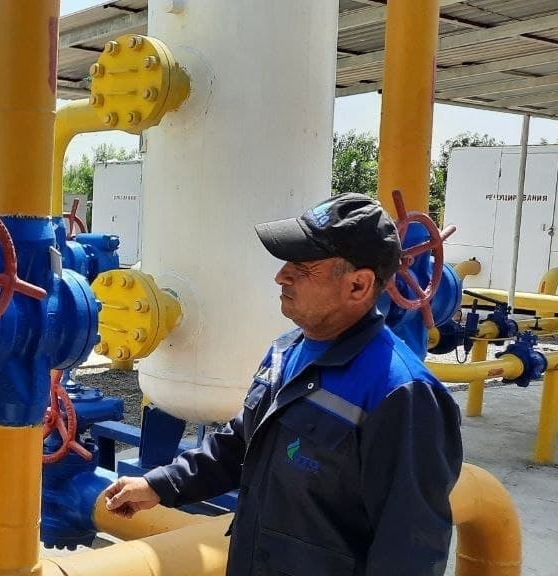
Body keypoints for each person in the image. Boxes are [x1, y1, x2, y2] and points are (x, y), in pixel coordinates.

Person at [102, 193, 463, 575]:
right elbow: (239, 445)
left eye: (303, 268)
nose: (281, 276)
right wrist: (160, 485)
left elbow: (409, 552)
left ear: (358, 286)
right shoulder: (286, 350)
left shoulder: (402, 395)